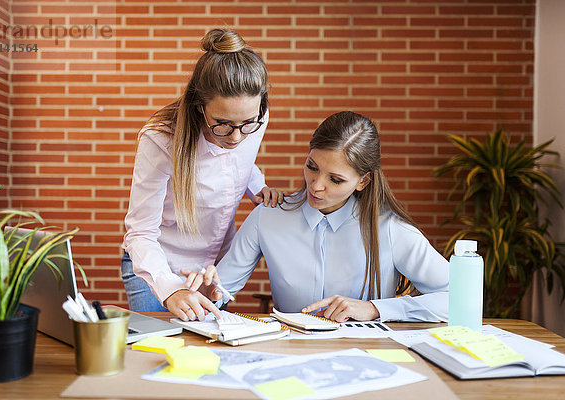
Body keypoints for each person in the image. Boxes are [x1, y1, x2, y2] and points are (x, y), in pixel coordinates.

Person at [190, 111, 449, 322]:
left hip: (366, 356)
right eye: (312, 167)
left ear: (363, 181)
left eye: (335, 179)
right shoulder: (268, 217)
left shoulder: (389, 229)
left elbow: (460, 298)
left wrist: (375, 309)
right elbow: (218, 292)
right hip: (289, 354)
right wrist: (206, 291)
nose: (316, 186)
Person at [122, 28, 283, 320]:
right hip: (159, 265)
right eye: (222, 124)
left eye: (247, 124)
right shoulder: (160, 139)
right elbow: (140, 233)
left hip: (214, 268)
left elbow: (238, 160)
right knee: (156, 350)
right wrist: (171, 289)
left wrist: (257, 186)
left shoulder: (255, 118)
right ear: (199, 107)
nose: (236, 137)